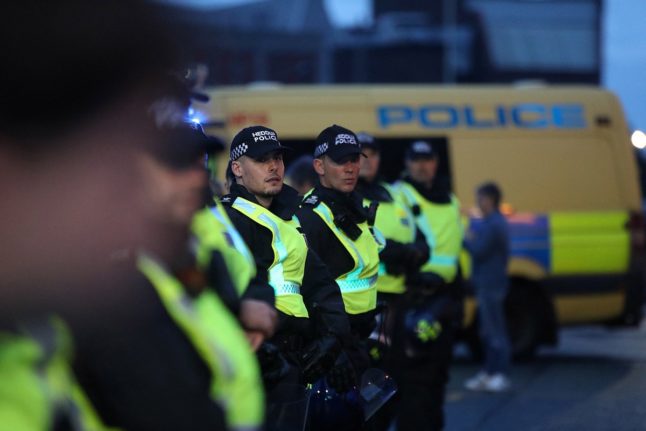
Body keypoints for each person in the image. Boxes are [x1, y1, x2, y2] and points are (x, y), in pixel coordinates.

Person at [222, 125, 351, 392]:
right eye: (261, 160)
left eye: (277, 158)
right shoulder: (230, 218)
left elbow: (320, 285)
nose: (273, 167)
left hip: (297, 355)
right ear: (237, 169)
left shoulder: (290, 218)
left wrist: (333, 340)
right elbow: (228, 288)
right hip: (259, 351)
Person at [296, 125, 383, 385]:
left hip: (361, 337)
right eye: (340, 161)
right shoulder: (310, 216)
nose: (350, 168)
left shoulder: (355, 206)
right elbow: (306, 291)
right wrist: (332, 350)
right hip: (333, 348)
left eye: (354, 159)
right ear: (319, 166)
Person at [354, 132, 431, 430]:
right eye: (361, 154)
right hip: (368, 302)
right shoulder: (350, 196)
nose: (368, 160)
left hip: (399, 301)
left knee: (394, 379)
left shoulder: (395, 193)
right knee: (367, 382)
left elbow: (422, 237)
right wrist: (400, 252)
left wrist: (417, 252)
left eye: (373, 154)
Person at [393, 140, 465, 431]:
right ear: (407, 163)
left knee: (437, 379)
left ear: (436, 162)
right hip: (415, 298)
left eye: (428, 159)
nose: (422, 165)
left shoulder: (450, 199)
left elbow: (455, 251)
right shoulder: (399, 196)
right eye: (416, 159)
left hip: (444, 300)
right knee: (414, 384)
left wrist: (458, 300)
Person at [463, 182, 512, 392]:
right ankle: (489, 372)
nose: (477, 203)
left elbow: (479, 250)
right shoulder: (492, 222)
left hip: (491, 284)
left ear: (489, 199)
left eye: (480, 198)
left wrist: (465, 238)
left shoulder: (494, 224)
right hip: (488, 282)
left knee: (495, 331)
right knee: (487, 331)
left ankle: (500, 374)